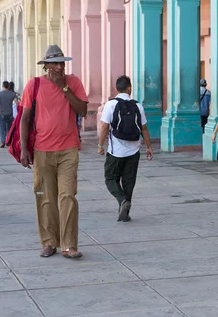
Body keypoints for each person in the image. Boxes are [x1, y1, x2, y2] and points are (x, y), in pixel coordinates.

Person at [20, 45, 88, 259]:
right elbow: (25, 118)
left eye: (62, 63)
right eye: (55, 63)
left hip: (68, 148)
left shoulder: (73, 82)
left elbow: (83, 110)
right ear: (46, 65)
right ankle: (49, 242)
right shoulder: (34, 84)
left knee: (68, 196)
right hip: (42, 150)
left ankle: (69, 245)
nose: (59, 67)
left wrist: (64, 88)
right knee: (45, 198)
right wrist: (24, 149)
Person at [98, 75, 153, 222]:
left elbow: (104, 126)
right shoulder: (137, 105)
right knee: (128, 182)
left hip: (115, 152)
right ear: (129, 88)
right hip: (134, 151)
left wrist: (100, 145)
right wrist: (148, 147)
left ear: (117, 89)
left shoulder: (110, 105)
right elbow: (144, 128)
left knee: (110, 178)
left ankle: (122, 201)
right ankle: (126, 212)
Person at [0, 81, 17, 148]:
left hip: (2, 113)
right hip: (10, 113)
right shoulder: (12, 94)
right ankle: (9, 141)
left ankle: (3, 142)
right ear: (8, 86)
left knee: (2, 128)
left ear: (2, 86)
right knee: (9, 128)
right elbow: (17, 103)